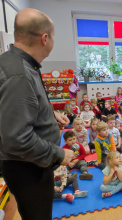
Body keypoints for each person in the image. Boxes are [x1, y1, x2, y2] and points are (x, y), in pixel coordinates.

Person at [0, 8, 74, 220]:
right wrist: (59, 154)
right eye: (53, 36)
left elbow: (21, 109)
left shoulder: (18, 63)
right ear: (45, 38)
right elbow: (17, 139)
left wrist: (50, 116)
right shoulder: (19, 75)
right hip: (28, 169)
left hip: (30, 164)